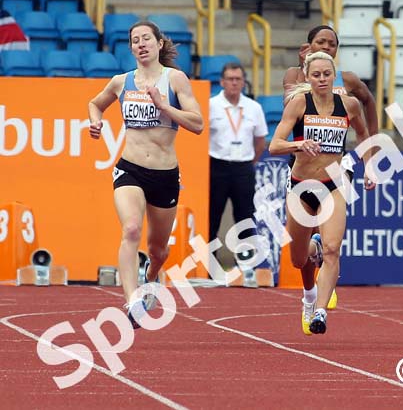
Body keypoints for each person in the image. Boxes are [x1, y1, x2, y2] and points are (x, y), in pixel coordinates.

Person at [88, 21, 204, 326]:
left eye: (146, 39)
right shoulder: (120, 82)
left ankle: (152, 275)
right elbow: (95, 103)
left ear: (159, 44)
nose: (141, 44)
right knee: (130, 230)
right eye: (135, 40)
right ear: (130, 48)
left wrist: (165, 106)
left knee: (158, 249)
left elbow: (197, 124)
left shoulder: (175, 79)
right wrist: (95, 121)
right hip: (130, 169)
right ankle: (131, 302)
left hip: (165, 175)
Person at [269, 51, 375, 335]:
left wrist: (370, 167)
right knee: (298, 259)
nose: (322, 79)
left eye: (326, 74)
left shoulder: (349, 105)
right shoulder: (298, 104)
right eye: (316, 75)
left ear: (333, 74)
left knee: (333, 250)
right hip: (301, 185)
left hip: (334, 184)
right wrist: (299, 145)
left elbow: (364, 135)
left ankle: (320, 312)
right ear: (307, 76)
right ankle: (308, 296)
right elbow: (275, 144)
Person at [208, 62, 268, 247]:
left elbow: (260, 140)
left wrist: (250, 161)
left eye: (238, 79)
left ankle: (245, 267)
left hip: (243, 168)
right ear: (222, 82)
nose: (234, 83)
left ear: (243, 82)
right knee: (211, 218)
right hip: (216, 166)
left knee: (245, 219)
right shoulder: (210, 105)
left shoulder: (253, 107)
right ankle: (210, 269)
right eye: (230, 79)